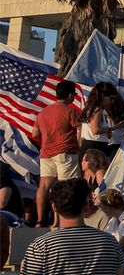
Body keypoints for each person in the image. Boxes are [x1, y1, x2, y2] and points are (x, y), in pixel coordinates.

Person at [30, 80, 81, 224]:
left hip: (46, 153)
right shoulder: (70, 111)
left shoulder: (43, 112)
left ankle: (40, 220)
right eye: (75, 95)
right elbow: (80, 129)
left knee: (44, 187)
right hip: (66, 153)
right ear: (70, 95)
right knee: (67, 188)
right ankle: (61, 221)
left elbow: (35, 134)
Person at [78, 82, 124, 160]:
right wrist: (114, 128)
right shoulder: (97, 109)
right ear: (103, 96)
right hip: (95, 146)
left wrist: (107, 132)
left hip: (91, 144)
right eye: (110, 98)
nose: (111, 101)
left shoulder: (91, 107)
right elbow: (95, 130)